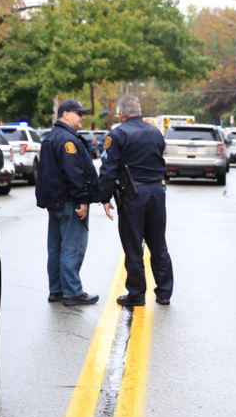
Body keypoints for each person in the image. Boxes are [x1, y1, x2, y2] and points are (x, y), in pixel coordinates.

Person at [98, 96, 173, 306]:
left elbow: (108, 169)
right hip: (157, 192)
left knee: (133, 246)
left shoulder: (118, 134)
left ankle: (137, 294)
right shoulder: (155, 132)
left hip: (133, 195)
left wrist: (104, 197)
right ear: (139, 112)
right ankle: (165, 292)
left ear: (121, 114)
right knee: (158, 244)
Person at [36, 99, 99, 306]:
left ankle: (57, 290)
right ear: (65, 114)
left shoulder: (51, 137)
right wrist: (83, 200)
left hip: (54, 202)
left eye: (84, 113)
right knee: (73, 247)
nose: (83, 117)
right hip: (69, 201)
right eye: (78, 113)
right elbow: (75, 173)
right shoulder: (67, 140)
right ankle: (73, 292)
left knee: (56, 248)